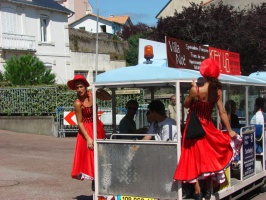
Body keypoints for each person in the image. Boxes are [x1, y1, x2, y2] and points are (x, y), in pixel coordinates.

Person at [173, 58, 243, 200]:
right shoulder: (217, 92)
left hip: (193, 127)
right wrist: (229, 130)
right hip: (208, 127)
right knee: (207, 156)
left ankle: (197, 190)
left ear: (203, 74)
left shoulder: (196, 90)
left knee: (192, 156)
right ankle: (207, 189)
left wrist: (193, 87)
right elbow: (222, 112)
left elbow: (186, 105)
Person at [67, 74, 106, 192]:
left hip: (97, 127)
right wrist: (88, 138)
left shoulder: (92, 94)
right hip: (87, 130)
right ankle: (96, 187)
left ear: (85, 86)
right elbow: (79, 122)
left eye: (81, 86)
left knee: (101, 157)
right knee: (92, 159)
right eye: (77, 87)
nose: (79, 89)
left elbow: (108, 97)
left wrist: (98, 90)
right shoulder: (78, 103)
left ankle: (100, 186)